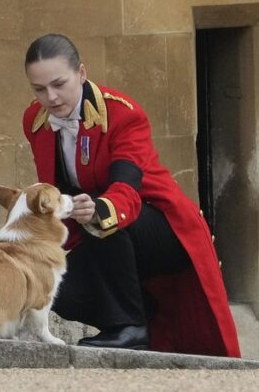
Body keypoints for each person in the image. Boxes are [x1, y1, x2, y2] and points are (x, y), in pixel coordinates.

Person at [21, 34, 240, 355]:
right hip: (97, 233)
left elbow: (127, 187)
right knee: (53, 287)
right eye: (39, 89)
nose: (51, 97)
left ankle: (129, 328)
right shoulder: (34, 121)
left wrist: (98, 210)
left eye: (59, 84)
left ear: (81, 73)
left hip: (161, 228)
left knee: (104, 221)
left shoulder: (123, 114)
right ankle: (144, 315)